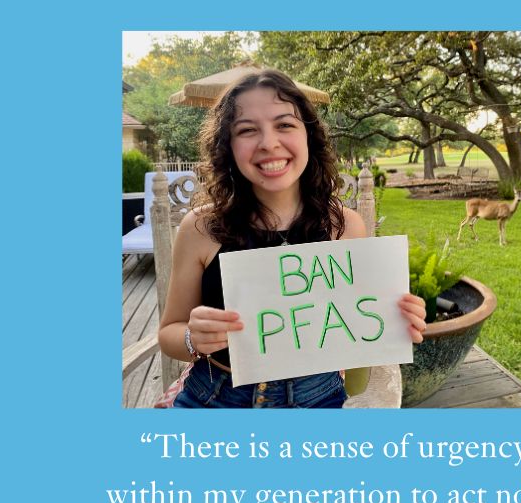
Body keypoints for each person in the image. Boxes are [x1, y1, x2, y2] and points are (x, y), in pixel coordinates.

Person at [158, 69, 427, 408]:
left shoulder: (345, 226)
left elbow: (359, 325)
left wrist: (398, 319)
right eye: (247, 130)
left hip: (318, 397)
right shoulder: (200, 227)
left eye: (284, 124)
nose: (269, 143)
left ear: (308, 136)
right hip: (216, 397)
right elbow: (169, 334)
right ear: (228, 146)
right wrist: (192, 337)